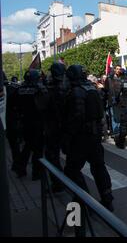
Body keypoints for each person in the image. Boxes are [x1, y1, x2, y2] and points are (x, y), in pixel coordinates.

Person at [63, 65, 114, 211]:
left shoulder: (77, 92)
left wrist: (68, 136)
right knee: (99, 167)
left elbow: (77, 117)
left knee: (71, 170)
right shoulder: (92, 89)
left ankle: (83, 201)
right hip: (95, 135)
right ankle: (107, 199)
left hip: (81, 137)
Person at [15, 69, 48, 180]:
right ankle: (36, 173)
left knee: (27, 147)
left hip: (24, 122)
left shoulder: (19, 89)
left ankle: (21, 170)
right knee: (38, 150)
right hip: (37, 122)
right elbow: (44, 105)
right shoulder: (39, 89)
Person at [44, 63, 69, 192]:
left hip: (54, 128)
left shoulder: (49, 90)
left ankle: (58, 183)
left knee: (52, 156)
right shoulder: (70, 87)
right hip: (69, 128)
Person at [4, 72, 22, 173]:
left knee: (14, 144)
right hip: (13, 121)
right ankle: (17, 164)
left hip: (10, 121)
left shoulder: (11, 89)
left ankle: (17, 164)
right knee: (15, 145)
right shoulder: (13, 89)